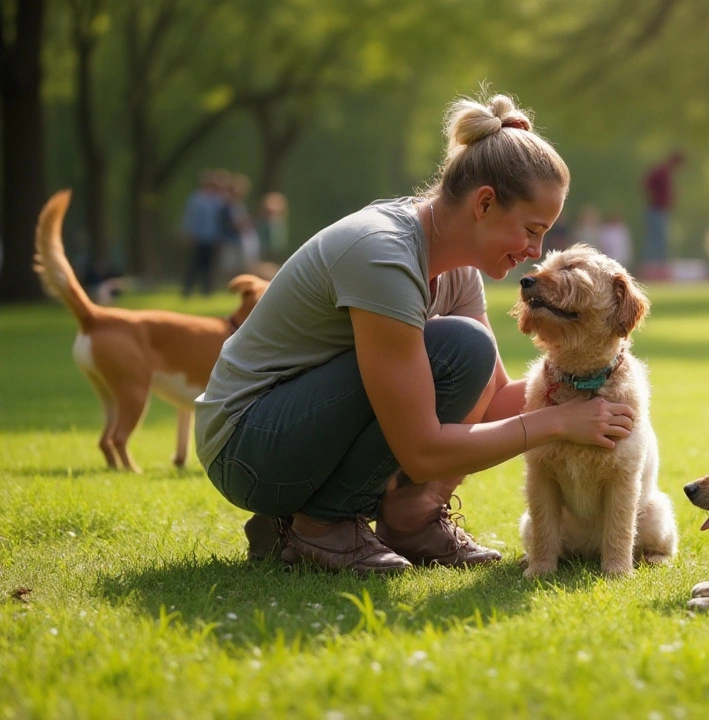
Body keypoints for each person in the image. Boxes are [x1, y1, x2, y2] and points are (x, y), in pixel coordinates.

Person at [194, 93, 637, 575]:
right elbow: (422, 450)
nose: (535, 251)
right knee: (464, 346)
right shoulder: (382, 254)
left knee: (467, 351)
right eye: (532, 230)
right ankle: (322, 524)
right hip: (247, 443)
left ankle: (396, 521)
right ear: (484, 203)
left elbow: (492, 403)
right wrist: (557, 422)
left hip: (288, 439)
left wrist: (592, 376)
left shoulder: (458, 269)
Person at [181, 169, 230, 297]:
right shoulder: (197, 198)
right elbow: (190, 217)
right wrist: (189, 234)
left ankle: (207, 290)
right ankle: (188, 289)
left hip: (213, 237)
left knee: (209, 266)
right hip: (199, 236)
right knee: (195, 264)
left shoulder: (219, 200)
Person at [641, 151, 683, 280]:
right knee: (657, 240)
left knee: (659, 239)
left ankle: (657, 268)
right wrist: (657, 197)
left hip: (660, 210)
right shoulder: (662, 171)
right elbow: (646, 184)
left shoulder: (665, 171)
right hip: (656, 209)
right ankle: (654, 269)